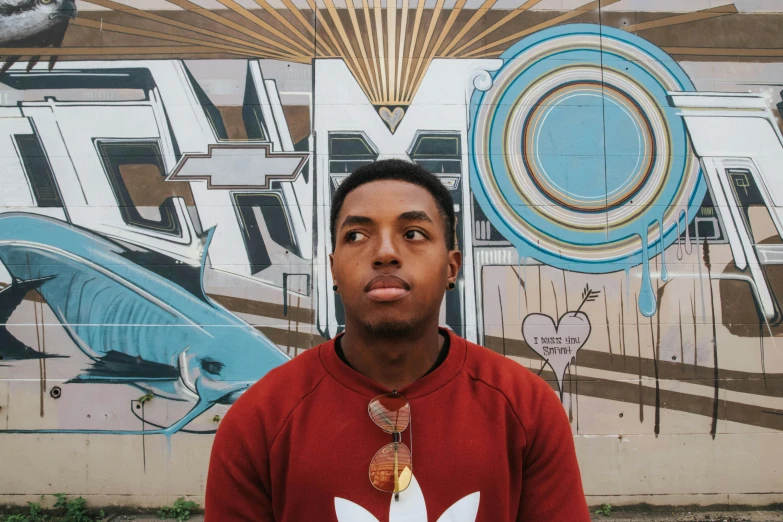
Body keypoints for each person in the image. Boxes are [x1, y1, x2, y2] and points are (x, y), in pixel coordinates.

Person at [205, 159, 590, 521]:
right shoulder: (259, 420)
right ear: (333, 268)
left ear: (451, 266)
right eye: (356, 235)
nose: (385, 253)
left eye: (413, 234)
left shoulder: (526, 407)